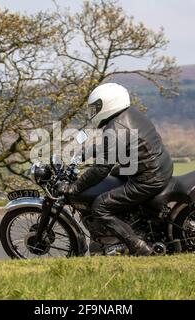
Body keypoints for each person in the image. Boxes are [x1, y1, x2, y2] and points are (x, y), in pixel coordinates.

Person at [58, 83, 173, 256]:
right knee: (113, 176)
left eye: (96, 107)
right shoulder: (128, 115)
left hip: (148, 178)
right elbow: (113, 147)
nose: (93, 112)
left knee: (100, 206)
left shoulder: (115, 128)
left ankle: (138, 247)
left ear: (108, 104)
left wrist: (75, 187)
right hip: (156, 168)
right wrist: (85, 153)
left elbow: (101, 169)